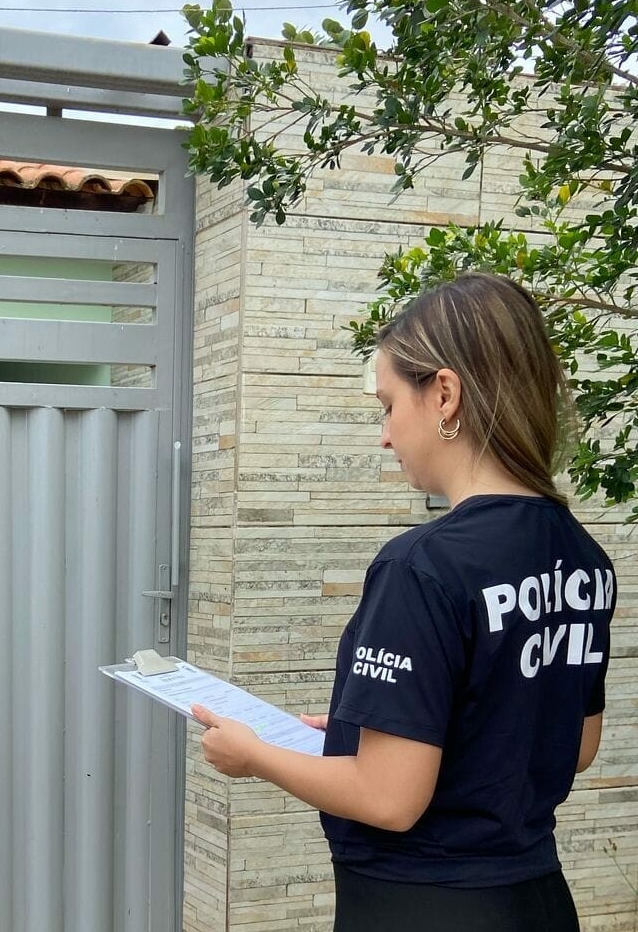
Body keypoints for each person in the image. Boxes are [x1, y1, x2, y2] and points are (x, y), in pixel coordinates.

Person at [193, 272, 615, 932]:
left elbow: (389, 799)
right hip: (538, 899)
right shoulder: (584, 558)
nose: (385, 436)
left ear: (444, 394)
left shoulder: (421, 565)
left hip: (421, 903)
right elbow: (573, 745)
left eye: (388, 406)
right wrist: (366, 733)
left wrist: (255, 755)